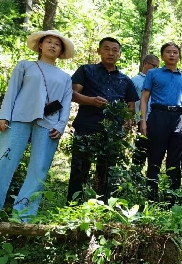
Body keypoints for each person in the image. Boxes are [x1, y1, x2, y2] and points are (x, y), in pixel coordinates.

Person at [0, 30, 74, 219]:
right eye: (48, 42)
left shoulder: (65, 77)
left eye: (57, 44)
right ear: (40, 46)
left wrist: (60, 126)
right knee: (4, 162)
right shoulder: (25, 66)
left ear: (61, 51)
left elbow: (66, 103)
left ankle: (23, 216)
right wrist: (4, 116)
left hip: (49, 124)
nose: (52, 46)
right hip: (18, 118)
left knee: (39, 169)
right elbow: (12, 91)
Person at [67, 37, 138, 203]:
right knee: (80, 168)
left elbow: (131, 106)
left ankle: (103, 205)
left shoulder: (125, 80)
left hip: (112, 132)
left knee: (106, 170)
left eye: (115, 50)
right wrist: (91, 101)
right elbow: (72, 94)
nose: (111, 53)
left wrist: (126, 120)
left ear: (120, 54)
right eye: (106, 49)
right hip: (87, 126)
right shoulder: (86, 70)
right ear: (99, 51)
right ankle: (73, 205)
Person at [140, 43, 182, 203]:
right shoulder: (153, 74)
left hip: (180, 118)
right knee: (155, 156)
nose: (172, 55)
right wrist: (143, 120)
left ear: (179, 56)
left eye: (175, 52)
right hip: (158, 116)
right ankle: (151, 197)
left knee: (175, 158)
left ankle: (173, 197)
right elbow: (144, 99)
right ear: (162, 56)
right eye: (168, 52)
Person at [131, 54, 160, 166]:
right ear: (145, 64)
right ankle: (136, 176)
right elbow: (130, 101)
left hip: (158, 120)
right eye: (154, 66)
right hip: (142, 120)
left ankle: (152, 178)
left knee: (155, 152)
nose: (156, 69)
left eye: (158, 67)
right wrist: (132, 117)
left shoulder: (158, 81)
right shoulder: (135, 80)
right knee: (140, 150)